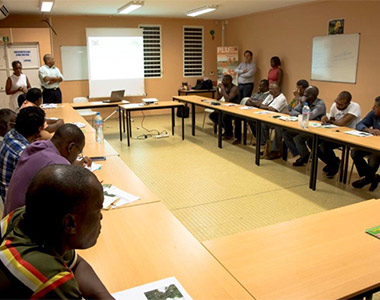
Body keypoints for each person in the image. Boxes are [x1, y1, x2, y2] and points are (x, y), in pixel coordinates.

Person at [0, 165, 113, 299]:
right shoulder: (49, 278)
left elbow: (76, 264)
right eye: (97, 211)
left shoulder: (28, 218)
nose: (101, 217)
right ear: (70, 224)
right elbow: (63, 277)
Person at [4, 124, 92, 216]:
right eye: (78, 152)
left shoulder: (38, 146)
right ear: (71, 147)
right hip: (22, 224)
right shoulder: (57, 165)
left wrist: (73, 164)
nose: (77, 156)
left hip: (9, 219)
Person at [0, 106, 45, 202]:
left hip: (7, 195)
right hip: (17, 207)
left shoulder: (11, 134)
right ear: (40, 129)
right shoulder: (24, 153)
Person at [319, 91, 361, 178]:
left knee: (324, 145)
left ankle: (333, 164)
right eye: (337, 102)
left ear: (348, 103)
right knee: (312, 141)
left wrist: (332, 121)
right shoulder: (335, 105)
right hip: (336, 134)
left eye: (341, 105)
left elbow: (342, 123)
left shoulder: (355, 107)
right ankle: (334, 163)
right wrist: (325, 119)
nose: (338, 106)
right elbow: (332, 120)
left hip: (349, 136)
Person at [283, 86, 326, 166]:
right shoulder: (305, 101)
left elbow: (310, 116)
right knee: (286, 134)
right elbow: (293, 111)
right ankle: (302, 155)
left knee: (298, 138)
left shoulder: (320, 104)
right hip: (302, 126)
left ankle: (304, 157)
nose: (303, 97)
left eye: (306, 95)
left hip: (314, 130)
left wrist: (303, 106)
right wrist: (301, 114)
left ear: (312, 96)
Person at [351, 96, 380, 191]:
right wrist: (368, 129)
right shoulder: (373, 114)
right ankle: (372, 178)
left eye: (375, 106)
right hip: (372, 144)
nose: (373, 108)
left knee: (373, 158)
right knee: (355, 152)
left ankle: (367, 179)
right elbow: (359, 124)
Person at [258, 83, 288, 159]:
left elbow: (273, 110)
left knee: (278, 128)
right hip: (271, 119)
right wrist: (267, 107)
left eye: (271, 89)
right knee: (262, 124)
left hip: (281, 121)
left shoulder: (282, 98)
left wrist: (266, 107)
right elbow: (261, 105)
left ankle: (275, 150)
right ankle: (265, 146)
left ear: (277, 90)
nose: (269, 90)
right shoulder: (270, 96)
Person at [209, 75, 240, 142]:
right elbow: (218, 98)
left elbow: (228, 99)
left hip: (235, 108)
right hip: (227, 108)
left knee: (225, 116)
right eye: (223, 80)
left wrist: (223, 89)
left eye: (225, 80)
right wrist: (217, 89)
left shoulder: (234, 88)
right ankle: (228, 130)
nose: (223, 82)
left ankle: (229, 133)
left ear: (230, 81)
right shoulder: (226, 88)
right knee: (213, 115)